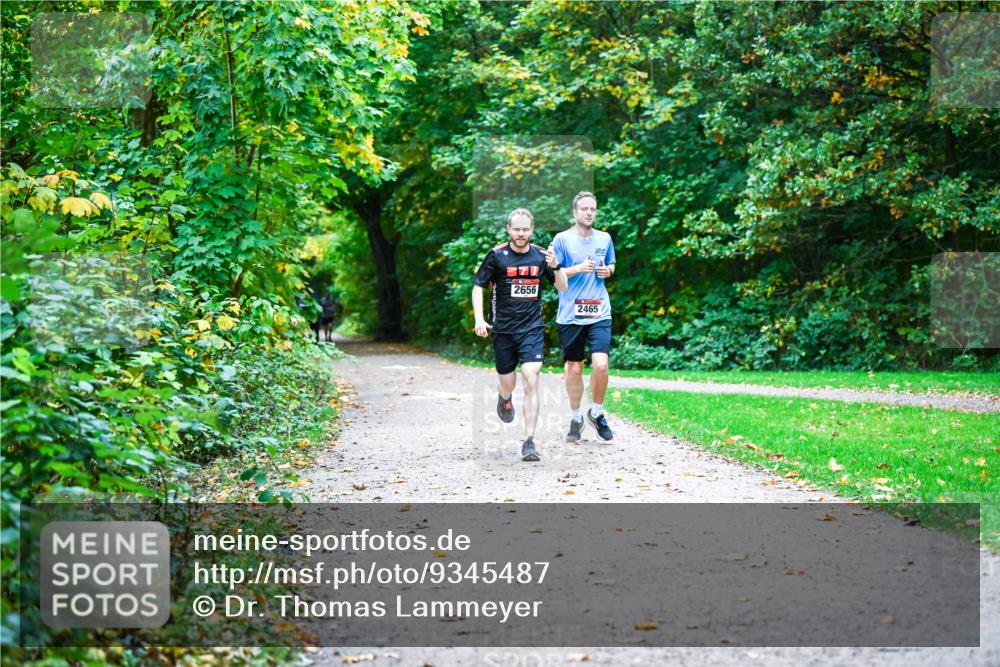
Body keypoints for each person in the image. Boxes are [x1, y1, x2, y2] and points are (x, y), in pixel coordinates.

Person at [472, 208, 568, 462]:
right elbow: (478, 286)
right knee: (508, 384)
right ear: (508, 229)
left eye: (525, 229)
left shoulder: (540, 257)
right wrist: (479, 318)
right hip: (502, 330)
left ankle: (529, 441)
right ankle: (504, 399)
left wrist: (556, 266)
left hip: (531, 328)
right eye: (517, 229)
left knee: (531, 377)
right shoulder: (497, 256)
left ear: (532, 230)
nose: (521, 234)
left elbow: (562, 286)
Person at [550, 192, 616, 443]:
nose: (589, 213)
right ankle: (576, 416)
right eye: (584, 209)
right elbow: (555, 276)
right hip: (570, 315)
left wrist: (607, 271)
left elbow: (611, 264)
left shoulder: (605, 238)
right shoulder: (562, 240)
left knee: (600, 364)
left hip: (599, 311)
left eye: (593, 209)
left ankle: (597, 413)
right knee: (575, 367)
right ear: (575, 212)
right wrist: (579, 269)